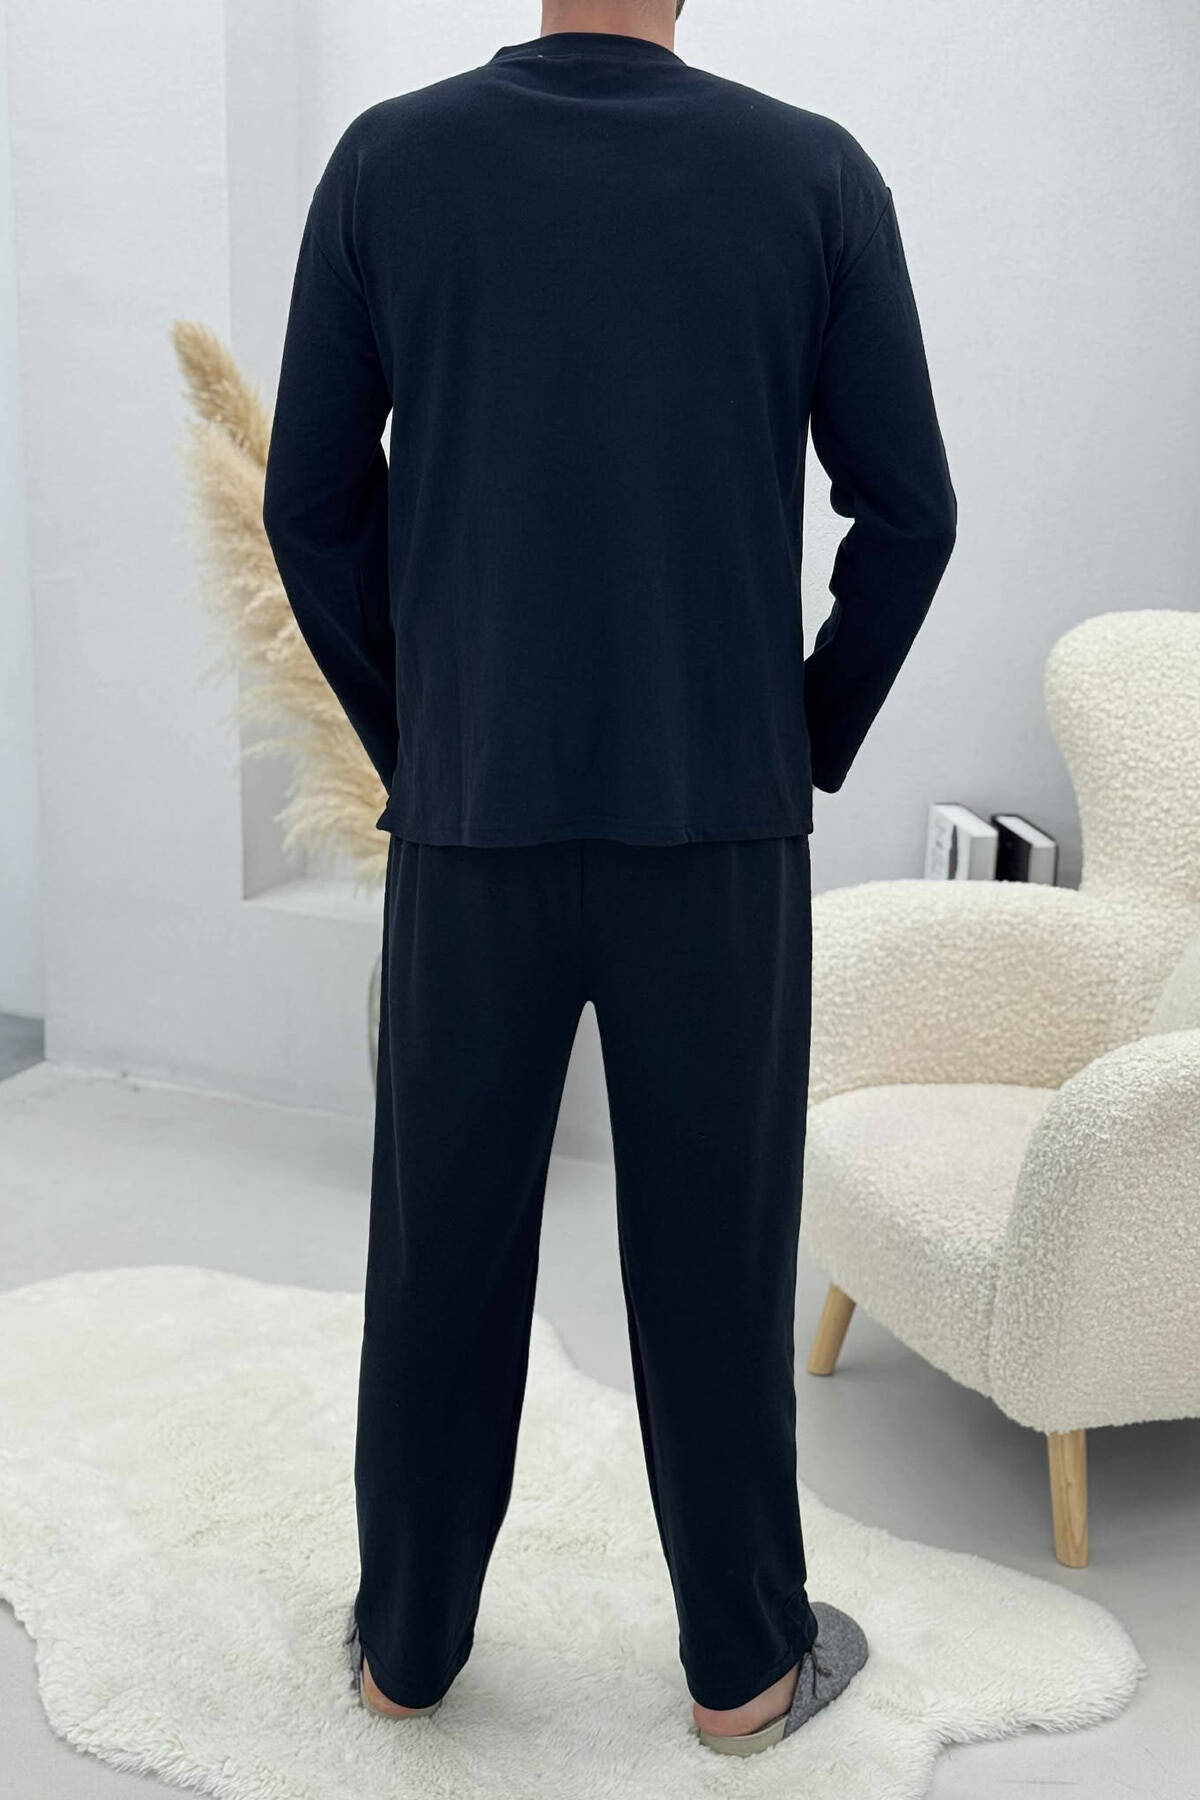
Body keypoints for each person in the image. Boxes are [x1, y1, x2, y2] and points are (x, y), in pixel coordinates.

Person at [262, 0, 956, 1758]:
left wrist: (429, 732)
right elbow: (911, 514)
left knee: (440, 1250)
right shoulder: (812, 176)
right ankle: (745, 1672)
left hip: (474, 817)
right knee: (717, 1256)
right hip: (714, 829)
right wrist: (797, 733)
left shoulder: (390, 163)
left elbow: (310, 504)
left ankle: (405, 1651)